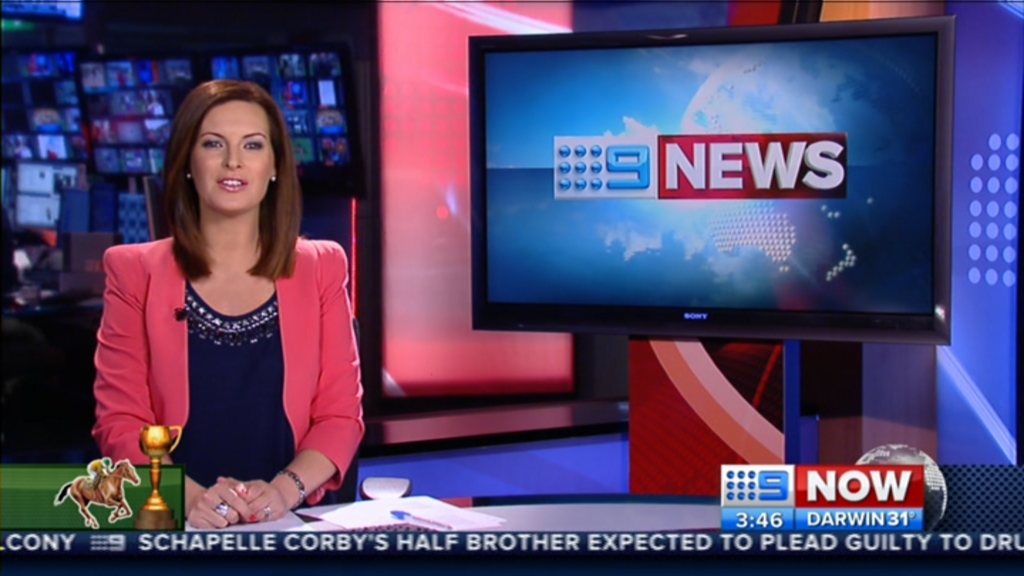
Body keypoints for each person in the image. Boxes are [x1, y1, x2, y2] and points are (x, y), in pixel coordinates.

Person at [91, 79, 364, 530]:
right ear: (187, 163)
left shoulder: (322, 268)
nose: (233, 161)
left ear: (275, 165)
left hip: (288, 523)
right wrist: (192, 499)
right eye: (213, 144)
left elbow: (339, 417)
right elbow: (120, 422)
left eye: (252, 145)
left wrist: (282, 492)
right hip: (177, 524)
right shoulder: (134, 271)